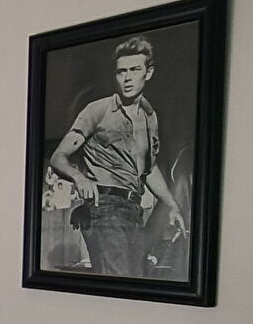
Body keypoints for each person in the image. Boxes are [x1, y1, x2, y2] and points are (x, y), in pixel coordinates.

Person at [48, 35, 187, 277]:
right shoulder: (98, 110)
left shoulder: (149, 117)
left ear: (149, 72)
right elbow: (58, 157)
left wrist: (172, 204)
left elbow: (148, 169)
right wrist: (80, 178)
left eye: (135, 70)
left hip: (133, 211)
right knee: (120, 278)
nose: (127, 78)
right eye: (122, 71)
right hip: (104, 208)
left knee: (134, 280)